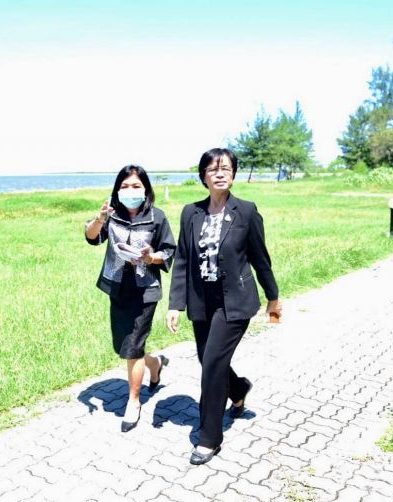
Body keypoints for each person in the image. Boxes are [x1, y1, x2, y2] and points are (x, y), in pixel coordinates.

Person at [166, 148, 282, 465]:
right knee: (208, 359)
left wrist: (273, 297)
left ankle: (209, 438)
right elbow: (183, 260)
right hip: (202, 300)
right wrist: (175, 304)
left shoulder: (246, 211)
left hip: (236, 300)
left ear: (233, 174)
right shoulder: (190, 212)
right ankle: (239, 388)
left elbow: (260, 258)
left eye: (226, 168)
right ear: (203, 176)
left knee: (213, 364)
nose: (220, 174)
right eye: (213, 169)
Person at [85, 165, 176, 432]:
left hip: (145, 290)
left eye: (136, 186)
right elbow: (91, 237)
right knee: (126, 345)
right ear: (117, 190)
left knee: (133, 346)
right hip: (117, 288)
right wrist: (100, 219)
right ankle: (155, 364)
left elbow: (168, 251)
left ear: (145, 189)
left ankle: (133, 401)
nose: (130, 191)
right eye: (124, 186)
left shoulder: (157, 217)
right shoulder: (111, 215)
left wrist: (150, 258)